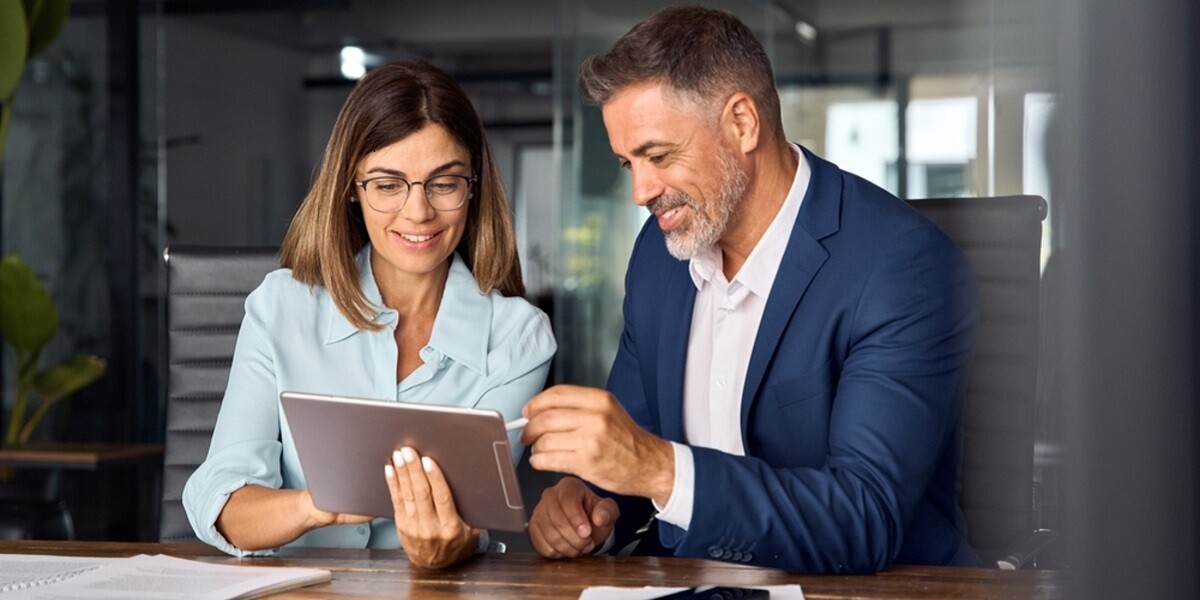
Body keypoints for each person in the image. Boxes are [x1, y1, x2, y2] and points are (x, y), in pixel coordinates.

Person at [519, 6, 980, 573]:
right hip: (684, 581)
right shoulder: (659, 257)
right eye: (626, 163)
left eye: (659, 156)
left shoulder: (901, 268)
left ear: (742, 122)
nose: (640, 191)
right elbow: (637, 448)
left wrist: (660, 470)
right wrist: (589, 503)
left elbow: (866, 517)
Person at [182, 61, 556, 569]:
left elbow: (472, 519)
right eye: (388, 184)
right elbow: (221, 502)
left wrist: (447, 544)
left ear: (473, 186)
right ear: (351, 189)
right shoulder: (280, 308)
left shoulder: (519, 338)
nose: (418, 212)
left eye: (443, 183)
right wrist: (319, 504)